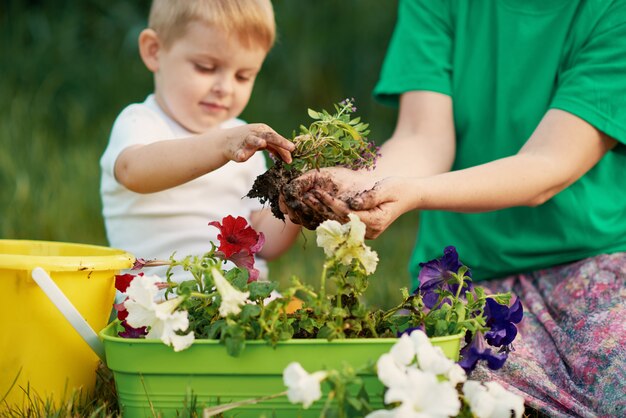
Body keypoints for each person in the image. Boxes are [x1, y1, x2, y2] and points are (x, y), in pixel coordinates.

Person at [282, 1, 626, 416]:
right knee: (465, 395)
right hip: (466, 276)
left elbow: (549, 164)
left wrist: (418, 192)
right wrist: (363, 186)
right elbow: (423, 138)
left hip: (592, 266)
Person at [100, 0, 300, 282]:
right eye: (205, 67)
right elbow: (133, 171)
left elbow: (262, 242)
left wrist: (297, 202)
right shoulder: (140, 122)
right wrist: (222, 145)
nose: (225, 88)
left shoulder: (243, 139)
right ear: (154, 51)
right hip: (162, 301)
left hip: (240, 298)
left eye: (243, 76)